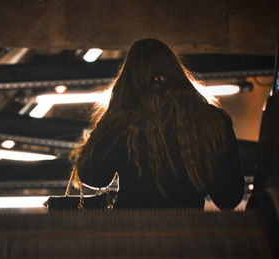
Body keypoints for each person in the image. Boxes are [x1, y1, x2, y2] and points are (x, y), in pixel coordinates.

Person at [69, 38, 244, 209]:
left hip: (132, 232)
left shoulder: (122, 122)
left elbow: (92, 176)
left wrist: (111, 114)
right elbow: (229, 198)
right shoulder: (213, 121)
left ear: (128, 80)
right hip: (188, 234)